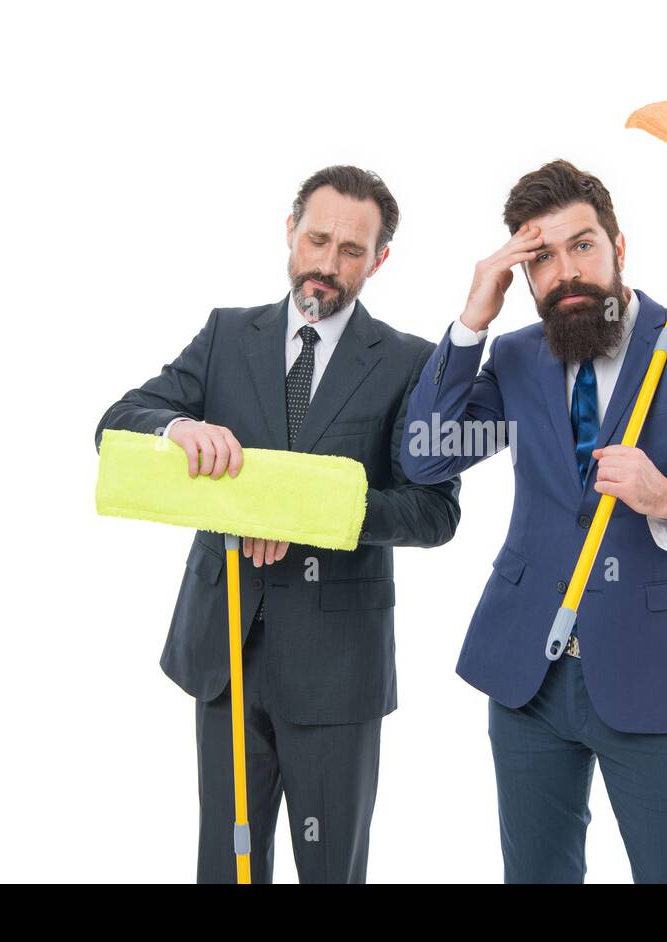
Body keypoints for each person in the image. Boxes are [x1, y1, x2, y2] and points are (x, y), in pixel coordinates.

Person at [401, 159, 667, 883]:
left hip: (657, 679)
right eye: (540, 258)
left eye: (582, 245)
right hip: (526, 677)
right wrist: (471, 322)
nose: (566, 272)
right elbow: (426, 459)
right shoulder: (516, 355)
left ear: (619, 246)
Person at [95, 165, 461, 883]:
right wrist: (177, 427)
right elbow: (117, 422)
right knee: (227, 867)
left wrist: (306, 514)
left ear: (379, 260)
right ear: (289, 231)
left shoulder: (410, 362)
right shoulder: (227, 335)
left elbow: (435, 510)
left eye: (351, 251)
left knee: (330, 871)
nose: (327, 264)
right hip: (224, 648)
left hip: (336, 669)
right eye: (317, 239)